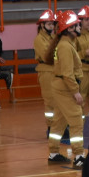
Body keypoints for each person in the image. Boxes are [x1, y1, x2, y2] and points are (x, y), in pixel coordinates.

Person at [48, 9, 84, 168]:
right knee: (76, 119)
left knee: (59, 121)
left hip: (60, 86)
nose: (80, 27)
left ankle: (53, 153)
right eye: (77, 25)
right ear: (70, 28)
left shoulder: (65, 44)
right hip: (65, 88)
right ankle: (79, 156)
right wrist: (75, 92)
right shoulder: (65, 46)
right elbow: (68, 74)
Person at [32, 8, 59, 144]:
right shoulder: (39, 39)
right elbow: (47, 56)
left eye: (52, 24)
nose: (51, 26)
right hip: (46, 72)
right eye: (49, 24)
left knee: (58, 101)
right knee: (50, 102)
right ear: (42, 25)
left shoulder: (53, 37)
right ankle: (50, 127)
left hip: (55, 70)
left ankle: (57, 127)